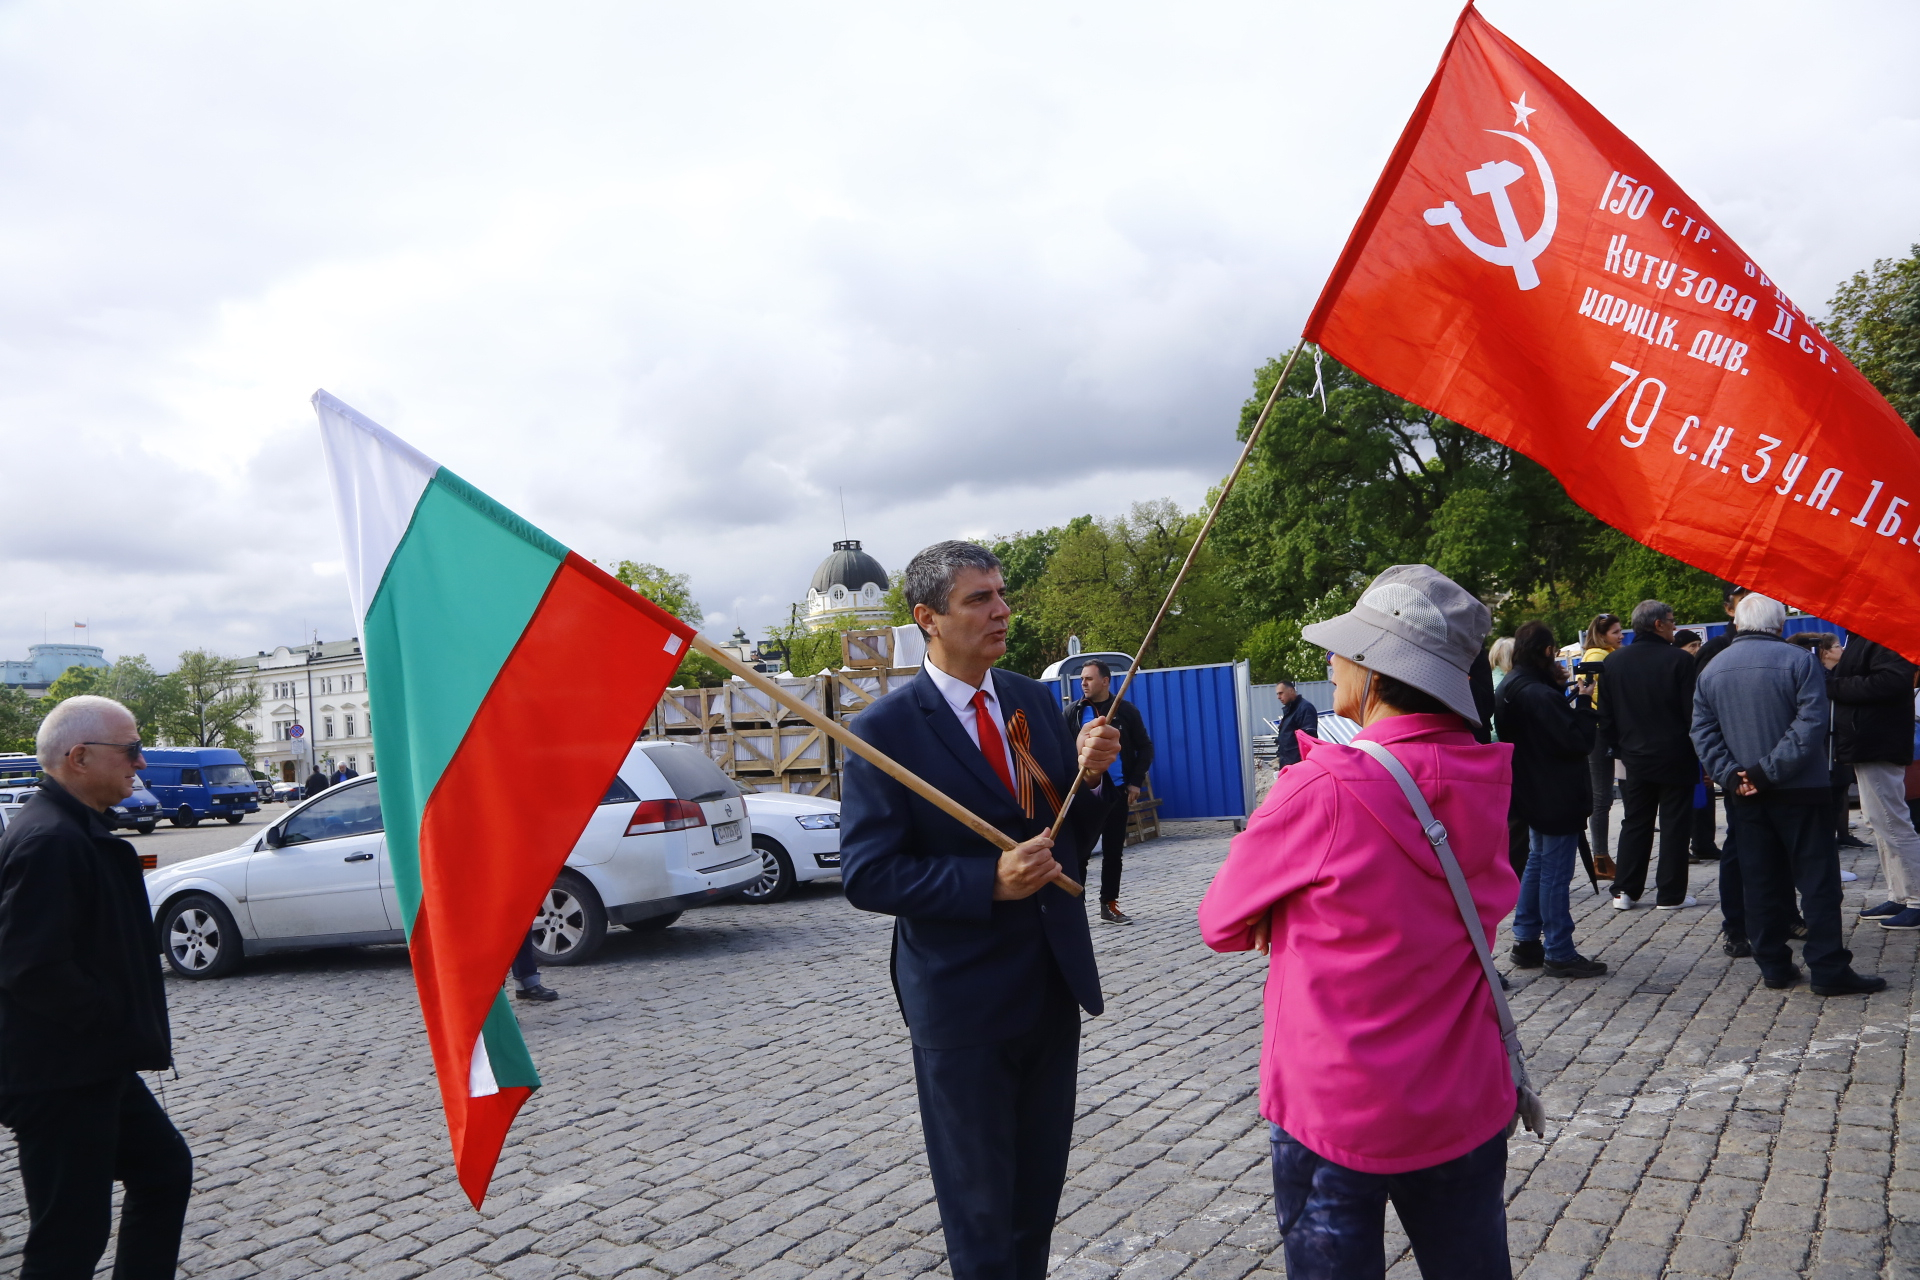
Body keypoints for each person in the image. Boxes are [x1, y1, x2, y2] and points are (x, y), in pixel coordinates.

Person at [1199, 565, 1517, 1279]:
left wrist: (1290, 911)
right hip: (1463, 1088)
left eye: (1344, 648)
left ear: (1375, 670)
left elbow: (1220, 921)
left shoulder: (1321, 786)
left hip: (1335, 1101)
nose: (1331, 660)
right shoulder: (1485, 773)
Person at [840, 541, 1120, 1280]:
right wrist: (985, 881)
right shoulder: (882, 735)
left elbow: (1070, 840)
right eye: (978, 599)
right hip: (961, 1005)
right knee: (981, 1213)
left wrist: (1090, 782)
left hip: (1051, 987)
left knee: (1035, 1201)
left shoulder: (1032, 702)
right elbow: (868, 875)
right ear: (927, 617)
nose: (1000, 611)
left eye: (1000, 594)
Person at [0, 696, 192, 1277]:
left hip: (91, 1064)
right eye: (132, 750)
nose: (141, 764)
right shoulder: (51, 840)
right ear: (79, 757)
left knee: (163, 1170)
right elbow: (31, 966)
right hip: (58, 1074)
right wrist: (115, 1021)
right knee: (69, 1237)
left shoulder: (75, 828)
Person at [1692, 594, 1885, 996]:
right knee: (1817, 881)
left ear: (1740, 623)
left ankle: (1774, 965)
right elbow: (1811, 724)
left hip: (1745, 793)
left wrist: (1734, 775)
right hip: (1800, 789)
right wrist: (1767, 771)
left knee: (1761, 880)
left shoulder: (1713, 669)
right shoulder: (1800, 662)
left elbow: (1702, 731)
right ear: (1780, 625)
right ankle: (1828, 967)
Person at [1496, 621, 1605, 978]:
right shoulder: (1538, 694)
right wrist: (1585, 702)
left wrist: (1559, 690)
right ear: (1545, 652)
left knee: (1537, 865)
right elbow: (1577, 740)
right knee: (1554, 873)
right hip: (1555, 793)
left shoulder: (1513, 686)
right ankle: (1559, 949)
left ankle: (1526, 940)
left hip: (1530, 789)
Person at [1598, 600, 1701, 911]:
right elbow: (1692, 714)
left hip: (1633, 757)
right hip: (1676, 755)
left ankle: (1625, 891)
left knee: (1636, 822)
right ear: (1658, 624)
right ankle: (1670, 894)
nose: (1674, 626)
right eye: (1672, 621)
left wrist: (1620, 749)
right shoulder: (1679, 661)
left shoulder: (1614, 662)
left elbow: (1607, 715)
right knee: (1674, 825)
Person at [1825, 631, 1920, 929]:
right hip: (1869, 741)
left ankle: (1916, 898)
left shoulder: (1881, 635)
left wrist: (1837, 685)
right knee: (1880, 821)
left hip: (1879, 741)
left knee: (1893, 821)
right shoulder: (1864, 636)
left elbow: (1893, 680)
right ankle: (1900, 894)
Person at [1064, 660, 1154, 925]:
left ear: (1105, 681)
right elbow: (1061, 750)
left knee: (1114, 852)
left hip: (1116, 793)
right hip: (1084, 796)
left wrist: (1135, 782)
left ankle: (1109, 904)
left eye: (1089, 679)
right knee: (1079, 853)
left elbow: (1145, 748)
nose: (1083, 683)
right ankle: (1074, 907)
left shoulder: (1125, 711)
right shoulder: (1073, 713)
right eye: (1082, 679)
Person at [1580, 613, 1625, 870]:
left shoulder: (1599, 655)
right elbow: (1603, 696)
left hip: (1599, 730)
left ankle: (1601, 856)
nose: (1620, 636)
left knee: (1604, 796)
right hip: (1600, 731)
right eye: (1615, 632)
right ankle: (1600, 858)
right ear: (1602, 635)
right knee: (1602, 797)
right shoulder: (1600, 657)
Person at [1273, 678, 1319, 767]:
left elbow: (1308, 739)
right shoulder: (1290, 710)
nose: (1278, 697)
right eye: (1277, 694)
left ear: (1291, 691)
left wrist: (1303, 764)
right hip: (1288, 762)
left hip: (1298, 764)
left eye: (1281, 693)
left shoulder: (1305, 708)